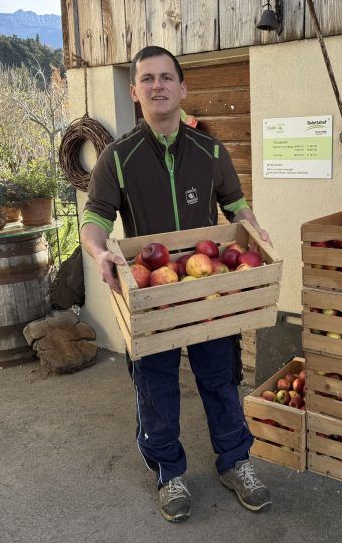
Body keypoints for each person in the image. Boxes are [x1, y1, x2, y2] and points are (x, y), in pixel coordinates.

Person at [80, 46, 272, 523]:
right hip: (148, 293)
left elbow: (236, 207)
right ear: (135, 91)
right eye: (148, 79)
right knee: (155, 385)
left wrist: (254, 227)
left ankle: (235, 462)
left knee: (219, 378)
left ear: (183, 88)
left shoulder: (211, 152)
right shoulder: (116, 158)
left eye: (167, 77)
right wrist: (101, 252)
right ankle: (169, 471)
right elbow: (95, 223)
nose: (158, 86)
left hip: (206, 291)